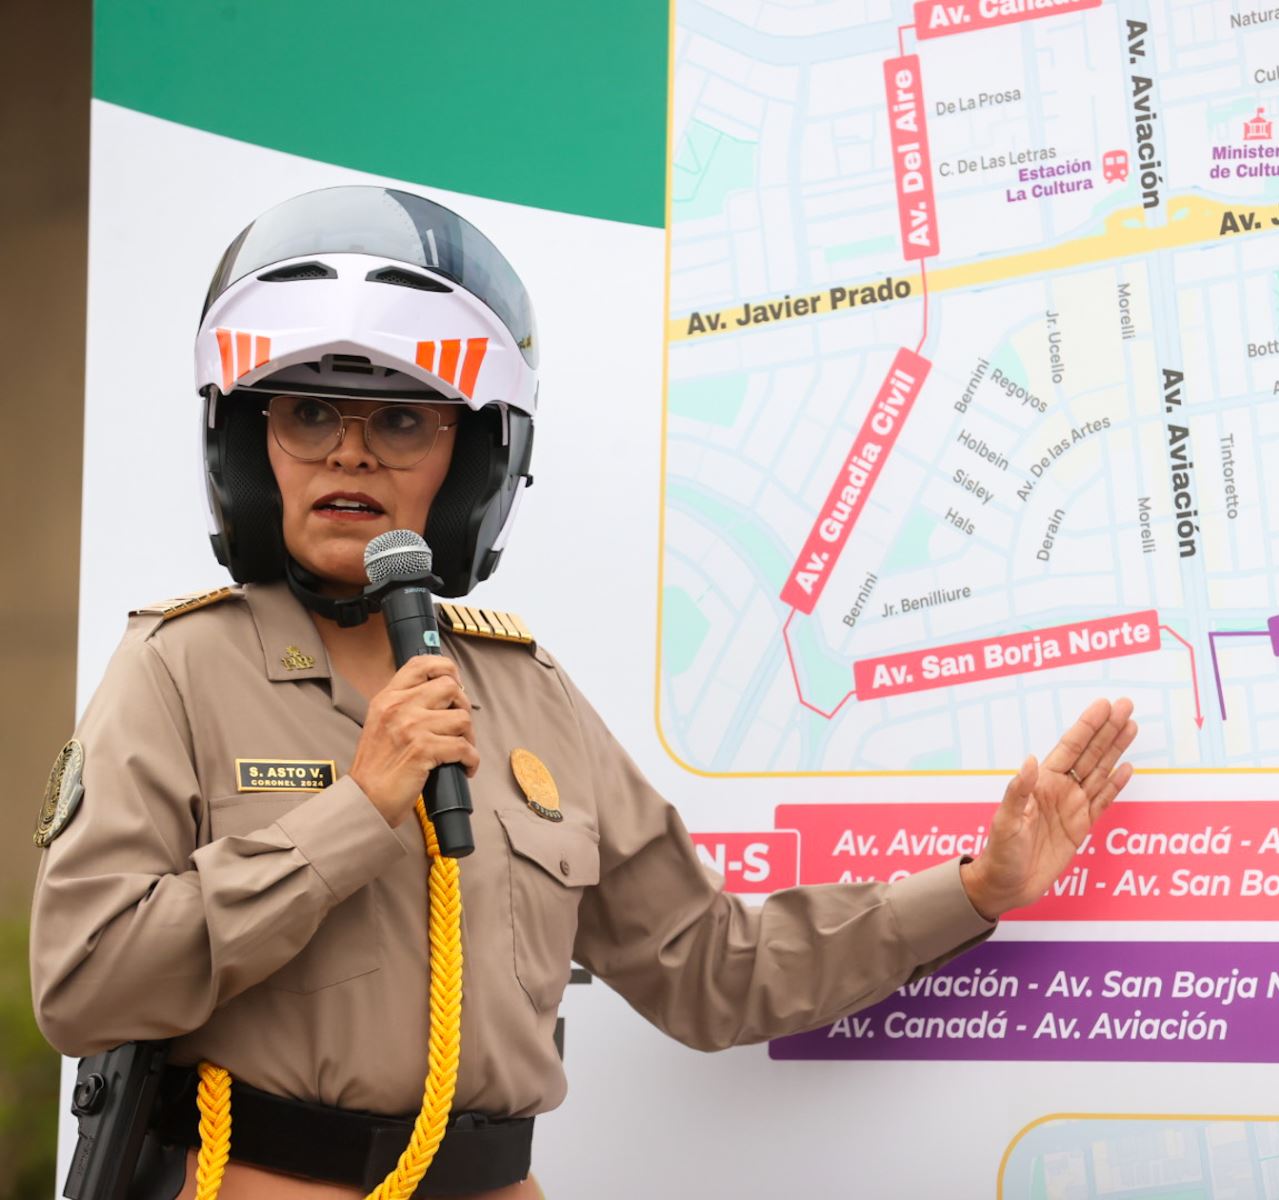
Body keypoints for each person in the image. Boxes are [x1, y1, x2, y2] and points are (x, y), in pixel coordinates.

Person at [30, 186, 1139, 1200]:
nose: (349, 456)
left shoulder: (527, 693)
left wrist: (977, 887)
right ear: (248, 445)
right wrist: (353, 815)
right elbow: (85, 987)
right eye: (308, 414)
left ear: (472, 463)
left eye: (404, 421)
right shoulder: (178, 671)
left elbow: (714, 972)